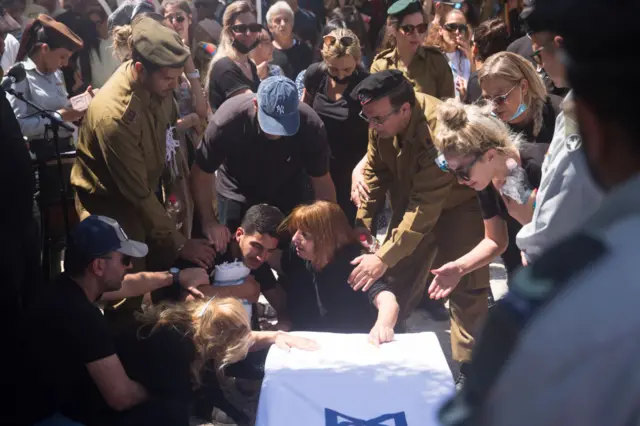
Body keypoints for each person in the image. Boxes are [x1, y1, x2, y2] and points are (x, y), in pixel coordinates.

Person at [439, 0, 640, 424]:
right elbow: (498, 237)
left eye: (539, 50)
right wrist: (459, 266)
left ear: (593, 129)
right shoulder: (489, 175)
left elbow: (540, 226)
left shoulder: (539, 148)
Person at [71, 16, 215, 325]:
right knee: (125, 289)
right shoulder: (116, 117)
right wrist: (179, 241)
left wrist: (177, 219)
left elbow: (168, 146)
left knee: (165, 273)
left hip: (148, 199)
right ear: (139, 69)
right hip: (112, 208)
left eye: (178, 78)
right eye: (168, 79)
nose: (175, 86)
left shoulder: (160, 87)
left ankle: (160, 330)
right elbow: (135, 192)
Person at [350, 70, 489, 387]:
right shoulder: (380, 120)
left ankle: (471, 367)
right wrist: (362, 229)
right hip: (412, 199)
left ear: (405, 110)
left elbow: (425, 208)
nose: (372, 126)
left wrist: (383, 256)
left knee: (465, 280)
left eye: (378, 120)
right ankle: (387, 344)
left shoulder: (439, 132)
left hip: (457, 205)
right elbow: (374, 175)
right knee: (395, 277)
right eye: (367, 118)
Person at [22, 215, 210, 426]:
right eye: (125, 260)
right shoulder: (83, 317)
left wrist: (175, 277)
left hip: (35, 398)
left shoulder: (65, 287)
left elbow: (129, 285)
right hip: (49, 417)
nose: (129, 267)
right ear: (99, 266)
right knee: (168, 412)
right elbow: (121, 397)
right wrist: (170, 389)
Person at [190, 75, 336, 244]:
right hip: (236, 189)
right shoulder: (227, 122)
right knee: (234, 251)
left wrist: (325, 227)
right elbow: (201, 173)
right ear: (256, 104)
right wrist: (208, 222)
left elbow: (322, 180)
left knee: (288, 249)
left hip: (288, 188)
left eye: (283, 124)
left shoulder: (311, 125)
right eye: (271, 122)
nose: (276, 132)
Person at [427, 98, 548, 298]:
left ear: (490, 155)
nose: (460, 181)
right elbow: (495, 239)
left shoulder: (543, 167)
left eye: (463, 172)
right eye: (453, 172)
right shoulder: (486, 180)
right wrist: (459, 267)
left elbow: (568, 232)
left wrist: (528, 221)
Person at [514, 1, 603, 264]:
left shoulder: (583, 106)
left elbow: (567, 187)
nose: (540, 67)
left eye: (539, 55)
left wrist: (534, 246)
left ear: (560, 46)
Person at [478, 50, 559, 274]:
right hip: (517, 243)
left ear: (523, 86)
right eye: (487, 99)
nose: (494, 106)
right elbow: (494, 229)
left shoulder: (562, 115)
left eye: (501, 97)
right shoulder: (488, 134)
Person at [275, 201, 400, 345]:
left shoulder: (355, 264)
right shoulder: (299, 255)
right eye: (296, 231)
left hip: (353, 345)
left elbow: (387, 301)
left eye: (305, 234)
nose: (294, 239)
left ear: (326, 238)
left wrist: (382, 326)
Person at [301, 28, 369, 224]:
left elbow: (377, 135)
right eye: (334, 70)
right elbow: (304, 111)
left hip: (351, 169)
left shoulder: (366, 84)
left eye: (347, 70)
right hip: (318, 165)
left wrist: (361, 170)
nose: (340, 76)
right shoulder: (315, 75)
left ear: (357, 61)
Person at [6, 14, 86, 159]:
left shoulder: (57, 74)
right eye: (62, 56)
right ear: (44, 49)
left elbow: (63, 107)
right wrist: (59, 116)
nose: (66, 63)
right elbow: (18, 126)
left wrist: (82, 105)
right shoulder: (19, 76)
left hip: (67, 150)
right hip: (42, 157)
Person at [371, 0, 454, 100]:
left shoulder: (436, 61)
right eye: (408, 29)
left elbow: (449, 106)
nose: (416, 35)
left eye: (421, 28)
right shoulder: (380, 66)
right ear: (393, 30)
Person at [205, 0, 261, 111]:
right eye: (241, 29)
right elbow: (252, 103)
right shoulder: (224, 66)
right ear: (229, 32)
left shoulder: (250, 64)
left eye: (254, 27)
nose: (249, 33)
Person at [424, 8, 473, 100]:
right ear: (440, 30)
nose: (457, 32)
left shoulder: (466, 55)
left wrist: (470, 57)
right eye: (452, 27)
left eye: (462, 28)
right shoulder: (432, 56)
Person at [463, 18, 509, 104]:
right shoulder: (513, 73)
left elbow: (476, 115)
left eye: (471, 43)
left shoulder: (477, 80)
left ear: (475, 48)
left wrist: (464, 98)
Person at [267, 1, 313, 80]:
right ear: (270, 26)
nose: (283, 24)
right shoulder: (266, 52)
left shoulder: (305, 50)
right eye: (278, 20)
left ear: (292, 24)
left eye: (286, 20)